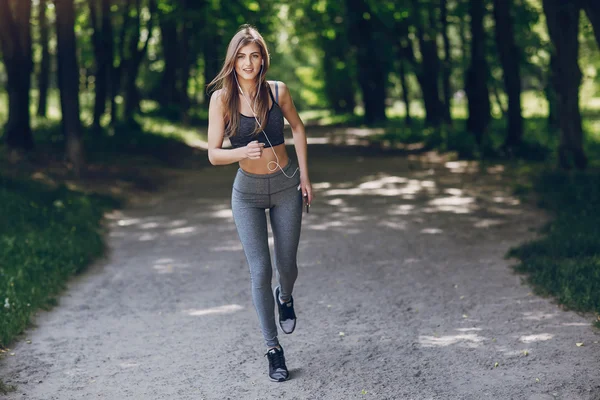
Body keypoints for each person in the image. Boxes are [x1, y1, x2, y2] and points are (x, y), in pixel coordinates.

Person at [206, 25, 313, 382]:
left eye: (254, 55)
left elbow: (298, 128)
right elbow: (212, 154)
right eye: (241, 56)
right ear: (232, 61)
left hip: (285, 186)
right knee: (259, 271)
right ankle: (273, 350)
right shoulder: (221, 100)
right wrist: (241, 151)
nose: (248, 63)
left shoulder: (278, 92)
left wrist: (306, 178)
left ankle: (286, 296)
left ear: (263, 59)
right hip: (247, 193)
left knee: (287, 266)